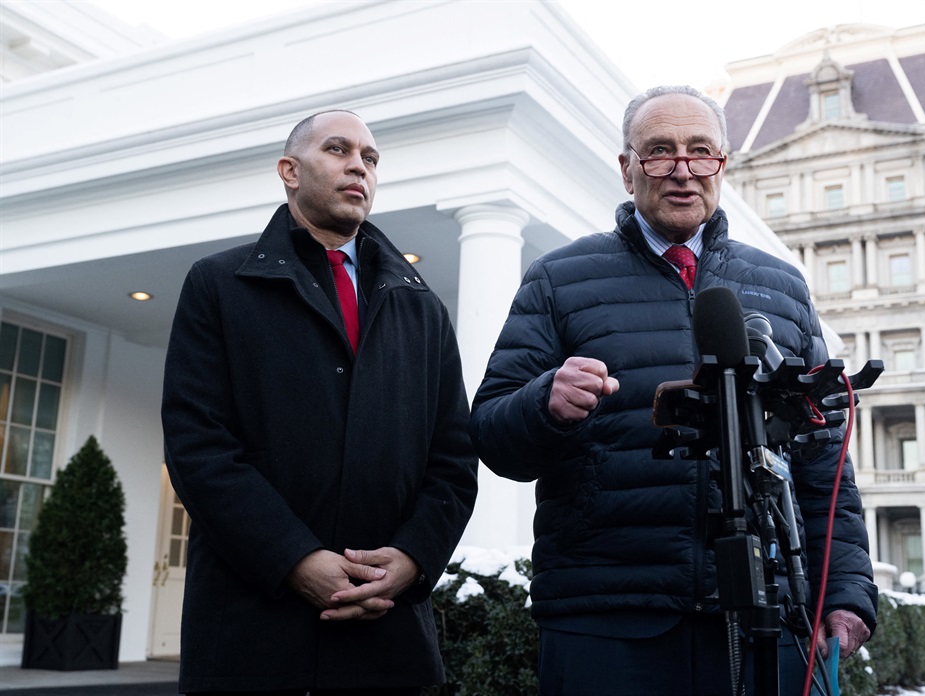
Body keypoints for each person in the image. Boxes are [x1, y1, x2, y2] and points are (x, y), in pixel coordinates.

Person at [470, 85, 877, 695]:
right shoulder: (557, 279)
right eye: (659, 152)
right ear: (627, 168)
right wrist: (544, 404)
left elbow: (824, 463)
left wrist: (843, 592)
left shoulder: (784, 287)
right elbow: (493, 435)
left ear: (723, 165)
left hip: (765, 617)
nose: (682, 171)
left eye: (701, 152)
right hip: (606, 620)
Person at [162, 110, 478, 695]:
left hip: (389, 647)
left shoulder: (425, 309)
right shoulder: (218, 284)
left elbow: (453, 464)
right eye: (338, 149)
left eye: (371, 158)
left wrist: (411, 560)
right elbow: (198, 448)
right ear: (289, 170)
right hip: (251, 641)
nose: (359, 164)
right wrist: (294, 560)